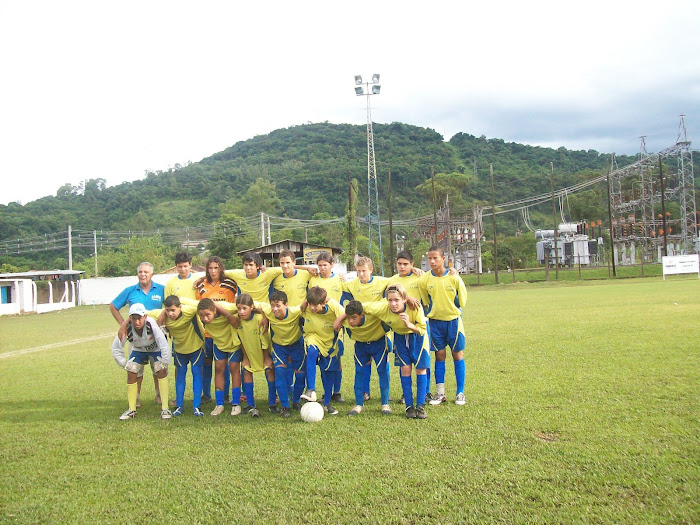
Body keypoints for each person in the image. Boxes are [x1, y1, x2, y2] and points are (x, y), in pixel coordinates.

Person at [363, 284, 430, 419]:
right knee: (405, 369)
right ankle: (409, 407)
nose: (393, 304)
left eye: (397, 300)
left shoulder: (415, 307)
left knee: (420, 370)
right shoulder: (384, 308)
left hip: (418, 338)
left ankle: (421, 406)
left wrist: (410, 325)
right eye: (390, 300)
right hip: (399, 338)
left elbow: (422, 329)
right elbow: (363, 306)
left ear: (404, 299)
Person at [109, 262, 165, 407]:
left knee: (157, 367)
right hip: (137, 338)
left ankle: (159, 395)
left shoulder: (161, 290)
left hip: (155, 338)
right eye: (140, 272)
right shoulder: (130, 290)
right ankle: (137, 398)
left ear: (152, 274)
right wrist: (124, 324)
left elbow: (171, 307)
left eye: (146, 272)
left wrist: (164, 325)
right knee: (136, 369)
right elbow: (113, 306)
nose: (143, 274)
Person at [418, 246, 468, 406]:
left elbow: (462, 300)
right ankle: (440, 393)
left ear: (443, 259)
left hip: (453, 321)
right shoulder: (425, 279)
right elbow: (424, 300)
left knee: (457, 354)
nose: (432, 261)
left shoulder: (454, 278)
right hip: (435, 323)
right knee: (439, 355)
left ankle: (460, 392)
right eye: (429, 259)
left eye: (435, 258)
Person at [111, 303, 172, 420]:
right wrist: (124, 363)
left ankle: (165, 408)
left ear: (145, 316)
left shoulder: (151, 324)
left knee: (161, 370)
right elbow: (116, 348)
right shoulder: (127, 328)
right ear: (130, 319)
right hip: (138, 350)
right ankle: (131, 409)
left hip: (155, 348)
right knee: (131, 372)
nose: (137, 322)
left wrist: (165, 361)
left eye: (139, 318)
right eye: (134, 319)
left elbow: (163, 344)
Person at [332, 300, 391, 416]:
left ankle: (385, 404)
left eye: (354, 317)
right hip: (361, 346)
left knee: (382, 371)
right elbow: (329, 301)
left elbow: (387, 302)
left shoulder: (373, 314)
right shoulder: (346, 320)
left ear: (362, 315)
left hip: (378, 344)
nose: (351, 321)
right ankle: (359, 404)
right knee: (359, 372)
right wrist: (339, 319)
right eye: (348, 318)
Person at [195, 256, 238, 405]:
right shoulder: (201, 285)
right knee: (206, 363)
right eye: (210, 268)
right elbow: (199, 307)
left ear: (221, 268)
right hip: (207, 333)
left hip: (224, 333)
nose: (213, 271)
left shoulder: (230, 284)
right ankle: (206, 395)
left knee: (223, 364)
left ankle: (225, 396)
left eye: (216, 268)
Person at [255, 290, 306, 413]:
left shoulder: (295, 312)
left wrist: (307, 301)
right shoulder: (269, 311)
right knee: (279, 373)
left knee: (300, 376)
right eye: (272, 305)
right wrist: (264, 315)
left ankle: (296, 401)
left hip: (296, 345)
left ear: (286, 304)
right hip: (279, 347)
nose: (275, 309)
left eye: (278, 305)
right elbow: (253, 303)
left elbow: (309, 304)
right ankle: (285, 406)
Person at [156, 295, 206, 416]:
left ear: (180, 307)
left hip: (196, 348)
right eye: (167, 310)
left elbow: (201, 304)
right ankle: (179, 406)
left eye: (173, 310)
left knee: (196, 374)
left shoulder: (188, 311)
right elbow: (142, 313)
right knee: (180, 376)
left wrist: (181, 299)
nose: (170, 313)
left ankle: (197, 406)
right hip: (179, 350)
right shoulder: (163, 315)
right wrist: (124, 325)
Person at [307, 251, 345, 403]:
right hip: (317, 322)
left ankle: (336, 392)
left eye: (325, 265)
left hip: (335, 322)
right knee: (321, 359)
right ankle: (320, 392)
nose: (322, 268)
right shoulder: (313, 280)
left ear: (332, 265)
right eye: (320, 265)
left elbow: (349, 295)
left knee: (337, 360)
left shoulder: (339, 279)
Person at [300, 286, 344, 415]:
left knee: (328, 372)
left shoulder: (333, 307)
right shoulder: (305, 308)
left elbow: (346, 313)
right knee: (312, 352)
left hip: (330, 343)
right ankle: (311, 389)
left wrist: (339, 320)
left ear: (324, 303)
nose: (312, 308)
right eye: (310, 305)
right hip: (313, 337)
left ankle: (327, 403)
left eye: (315, 305)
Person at [196, 298, 243, 416]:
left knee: (234, 369)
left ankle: (236, 403)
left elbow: (245, 306)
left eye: (208, 315)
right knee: (218, 369)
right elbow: (182, 300)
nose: (205, 318)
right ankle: (219, 404)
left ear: (215, 311)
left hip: (233, 344)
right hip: (219, 344)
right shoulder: (200, 309)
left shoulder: (227, 307)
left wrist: (228, 316)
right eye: (201, 316)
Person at [235, 294, 278, 418]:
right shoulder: (238, 321)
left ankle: (272, 403)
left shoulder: (259, 318)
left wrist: (266, 358)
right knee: (246, 370)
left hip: (263, 352)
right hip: (249, 353)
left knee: (269, 370)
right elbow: (241, 341)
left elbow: (264, 340)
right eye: (239, 309)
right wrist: (245, 357)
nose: (241, 312)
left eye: (244, 308)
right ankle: (250, 404)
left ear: (251, 307)